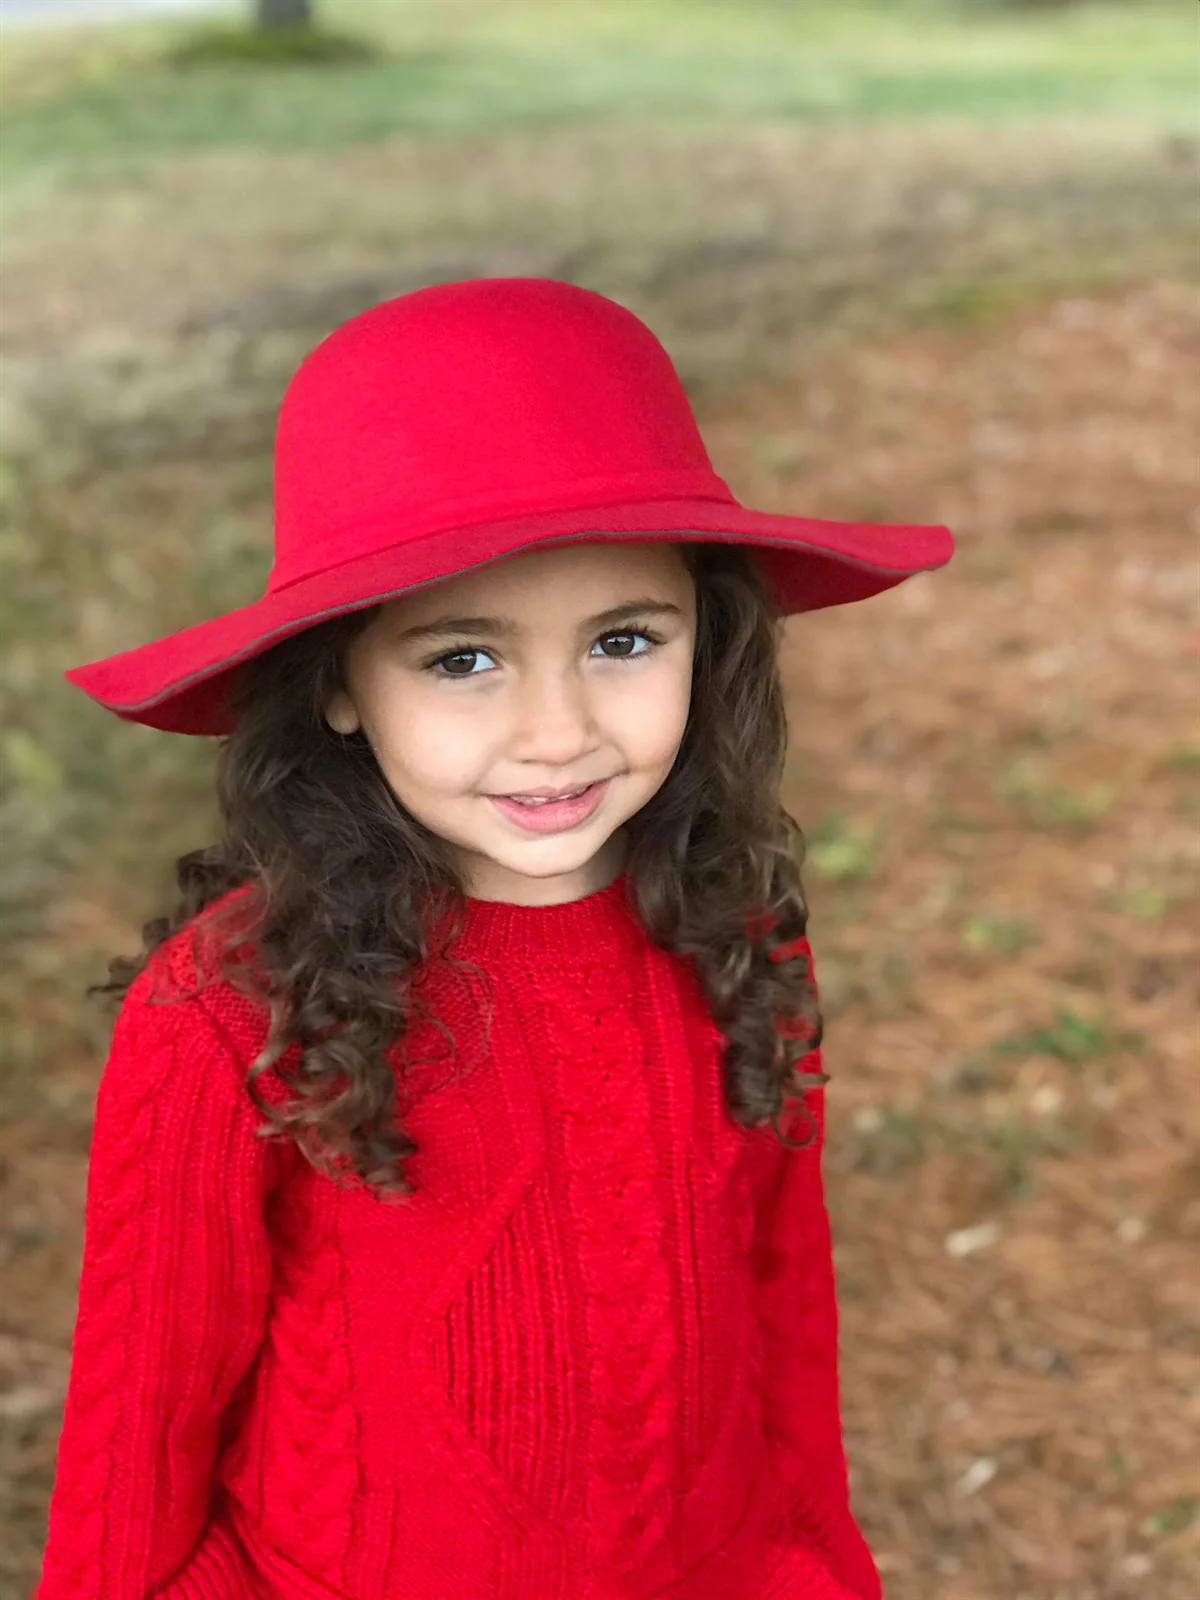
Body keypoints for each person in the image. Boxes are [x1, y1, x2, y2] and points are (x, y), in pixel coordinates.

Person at [37, 277, 953, 1599]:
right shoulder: (231, 1013)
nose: (555, 734)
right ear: (339, 685)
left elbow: (780, 1322)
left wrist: (812, 1563)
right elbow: (136, 1448)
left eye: (624, 641)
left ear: (712, 640)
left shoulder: (733, 935)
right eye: (463, 659)